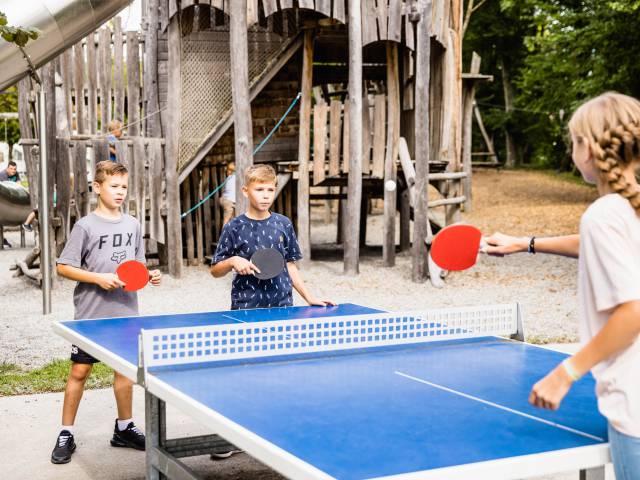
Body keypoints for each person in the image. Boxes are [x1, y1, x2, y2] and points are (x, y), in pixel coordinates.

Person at [484, 92, 640, 480]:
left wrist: (566, 372)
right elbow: (597, 243)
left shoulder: (604, 214)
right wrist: (526, 243)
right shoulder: (625, 210)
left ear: (587, 149)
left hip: (633, 407)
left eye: (573, 142)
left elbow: (633, 310)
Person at [51, 161, 162, 464]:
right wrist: (98, 278)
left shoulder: (133, 225)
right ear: (97, 188)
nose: (120, 192)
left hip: (126, 313)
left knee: (124, 373)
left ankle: (124, 428)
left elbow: (136, 265)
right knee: (79, 372)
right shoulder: (85, 226)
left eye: (124, 187)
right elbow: (63, 267)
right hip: (91, 315)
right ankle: (66, 432)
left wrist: (149, 275)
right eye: (114, 186)